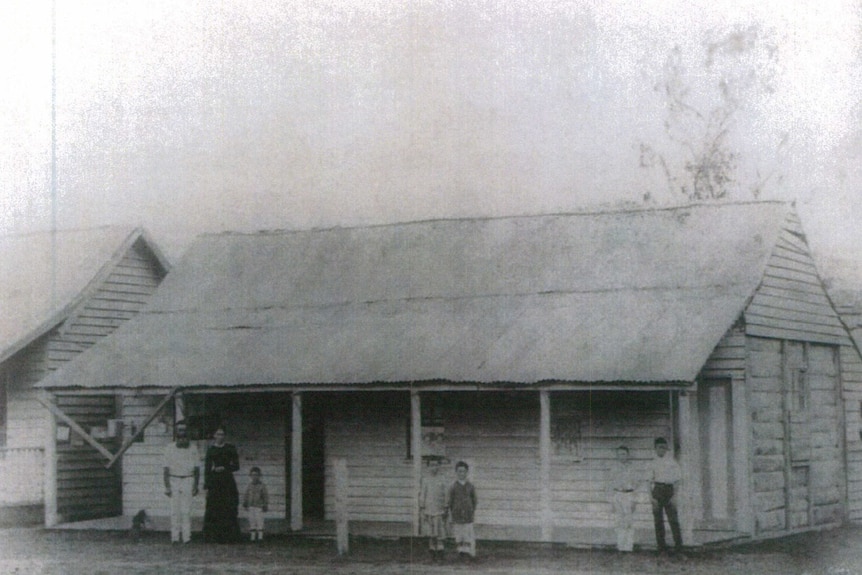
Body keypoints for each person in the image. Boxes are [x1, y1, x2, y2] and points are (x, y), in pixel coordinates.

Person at [162, 420, 200, 544]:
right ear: (176, 432)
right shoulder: (169, 448)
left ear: (187, 432)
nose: (182, 432)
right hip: (174, 480)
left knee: (186, 510)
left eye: (184, 430)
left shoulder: (193, 448)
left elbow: (197, 469)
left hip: (188, 479)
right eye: (180, 430)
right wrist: (167, 486)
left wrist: (195, 485)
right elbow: (166, 469)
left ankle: (187, 538)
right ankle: (174, 537)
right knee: (174, 511)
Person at [203, 426, 242, 543]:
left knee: (228, 506)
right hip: (215, 480)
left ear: (225, 436)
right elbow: (207, 468)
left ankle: (229, 536)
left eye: (222, 434)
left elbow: (236, 466)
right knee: (214, 507)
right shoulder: (211, 450)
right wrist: (207, 483)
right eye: (218, 434)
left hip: (227, 480)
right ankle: (213, 536)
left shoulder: (230, 448)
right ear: (214, 436)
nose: (220, 436)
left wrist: (225, 467)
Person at [646, 437, 683, 554]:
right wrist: (651, 497)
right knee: (658, 521)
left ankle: (679, 547)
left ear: (667, 449)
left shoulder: (672, 463)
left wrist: (675, 496)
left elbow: (677, 480)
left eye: (664, 448)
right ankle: (661, 547)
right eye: (659, 448)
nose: (662, 450)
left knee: (673, 520)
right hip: (657, 490)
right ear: (655, 448)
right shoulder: (652, 463)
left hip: (669, 490)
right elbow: (648, 481)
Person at [607, 445, 638, 552]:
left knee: (629, 521)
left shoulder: (632, 468)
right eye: (620, 454)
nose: (622, 456)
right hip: (618, 495)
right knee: (619, 521)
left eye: (624, 454)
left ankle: (629, 547)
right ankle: (620, 546)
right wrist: (611, 501)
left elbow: (635, 485)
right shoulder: (613, 468)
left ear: (628, 455)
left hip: (629, 495)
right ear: (617, 456)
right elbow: (610, 485)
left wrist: (635, 500)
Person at [447, 460, 478, 561]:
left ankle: (468, 553)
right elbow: (450, 501)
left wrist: (471, 509)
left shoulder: (470, 486)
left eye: (463, 471)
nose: (461, 473)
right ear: (456, 473)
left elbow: (474, 500)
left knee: (467, 534)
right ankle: (461, 552)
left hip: (468, 515)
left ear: (467, 472)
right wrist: (453, 511)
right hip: (457, 515)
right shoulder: (453, 486)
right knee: (459, 534)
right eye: (459, 471)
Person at [419, 457, 449, 561]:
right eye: (431, 465)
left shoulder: (442, 478)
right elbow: (422, 494)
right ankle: (432, 554)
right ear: (428, 467)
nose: (434, 467)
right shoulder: (425, 479)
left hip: (439, 510)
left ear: (439, 466)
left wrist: (445, 507)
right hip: (428, 510)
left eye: (436, 465)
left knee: (440, 534)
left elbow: (446, 494)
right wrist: (422, 508)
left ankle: (440, 553)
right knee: (431, 534)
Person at [242, 466, 269, 542]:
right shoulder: (249, 486)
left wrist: (265, 504)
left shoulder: (262, 486)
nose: (254, 477)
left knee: (259, 520)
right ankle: (252, 537)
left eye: (256, 475)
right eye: (253, 475)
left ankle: (260, 537)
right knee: (252, 520)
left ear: (259, 476)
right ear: (250, 476)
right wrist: (245, 503)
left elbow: (265, 496)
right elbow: (246, 495)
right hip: (251, 506)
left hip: (259, 506)